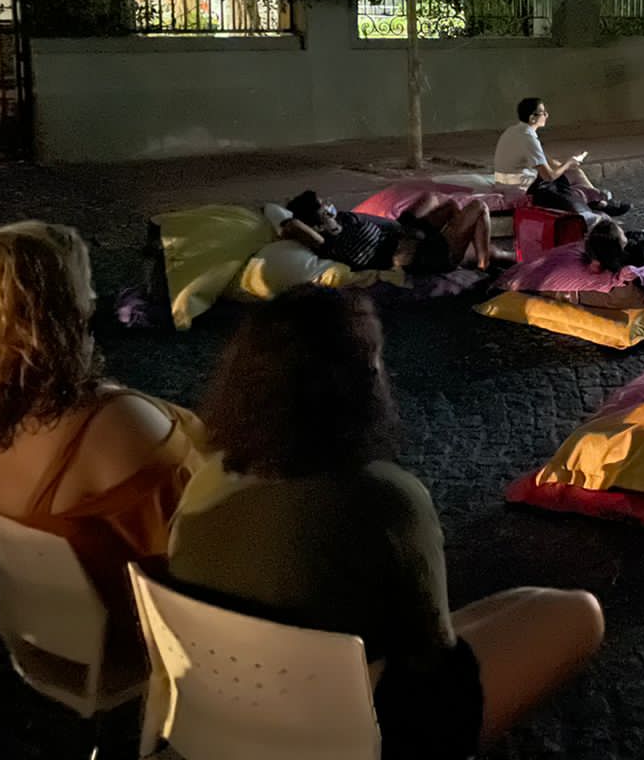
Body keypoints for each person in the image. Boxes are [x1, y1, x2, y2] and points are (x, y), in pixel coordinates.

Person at [167, 287, 604, 759]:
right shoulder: (383, 497)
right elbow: (432, 655)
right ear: (363, 381)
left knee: (525, 602)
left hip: (229, 706)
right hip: (350, 729)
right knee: (580, 613)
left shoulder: (206, 482)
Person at [0, 222, 204, 661]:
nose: (95, 299)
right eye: (85, 287)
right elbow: (196, 540)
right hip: (135, 633)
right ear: (61, 310)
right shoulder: (111, 426)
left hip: (26, 605)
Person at [278, 189, 499, 274]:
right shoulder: (328, 242)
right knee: (479, 208)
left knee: (448, 205)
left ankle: (468, 244)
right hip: (431, 255)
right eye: (323, 206)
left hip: (410, 236)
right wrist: (322, 225)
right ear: (316, 223)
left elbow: (382, 224)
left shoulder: (343, 219)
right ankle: (483, 264)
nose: (328, 205)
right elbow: (290, 226)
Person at [493, 97, 629, 217]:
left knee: (571, 172)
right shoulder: (528, 138)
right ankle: (601, 202)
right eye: (543, 112)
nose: (547, 115)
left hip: (505, 183)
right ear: (532, 118)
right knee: (572, 174)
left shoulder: (514, 130)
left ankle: (599, 201)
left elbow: (542, 157)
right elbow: (549, 177)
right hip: (520, 189)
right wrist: (568, 163)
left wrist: (563, 164)